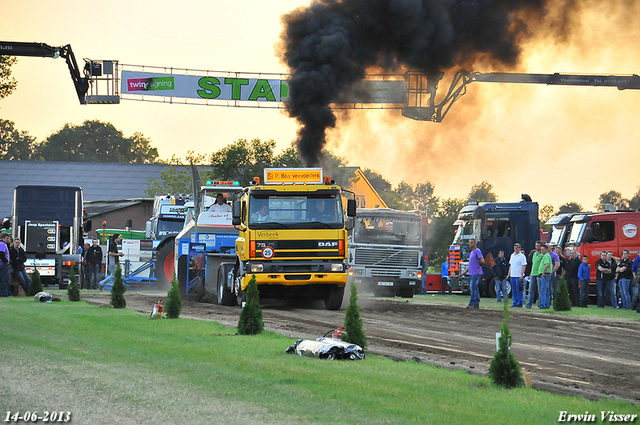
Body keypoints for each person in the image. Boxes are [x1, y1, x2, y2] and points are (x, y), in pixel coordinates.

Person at [465, 238, 484, 309]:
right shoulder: (472, 252)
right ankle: (476, 303)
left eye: (472, 242)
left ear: (475, 243)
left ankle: (472, 303)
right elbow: (471, 264)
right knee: (475, 287)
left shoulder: (477, 251)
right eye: (470, 242)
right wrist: (466, 271)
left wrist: (479, 266)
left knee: (472, 287)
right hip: (472, 272)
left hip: (476, 272)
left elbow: (482, 260)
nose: (470, 243)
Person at [507, 243, 527, 307]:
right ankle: (514, 302)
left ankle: (519, 302)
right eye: (514, 248)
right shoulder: (512, 255)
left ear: (519, 248)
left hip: (518, 275)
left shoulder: (522, 256)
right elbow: (511, 265)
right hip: (513, 275)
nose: (515, 249)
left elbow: (524, 265)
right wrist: (509, 274)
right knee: (514, 289)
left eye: (517, 248)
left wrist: (521, 274)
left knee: (519, 289)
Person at [525, 241, 543, 309]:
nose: (537, 247)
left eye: (538, 246)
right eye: (536, 245)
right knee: (531, 290)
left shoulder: (542, 254)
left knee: (539, 290)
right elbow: (533, 264)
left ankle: (540, 304)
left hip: (539, 274)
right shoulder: (535, 254)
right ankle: (529, 304)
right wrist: (530, 273)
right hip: (533, 274)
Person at [538, 244, 552, 309]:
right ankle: (547, 304)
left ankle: (543, 305)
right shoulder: (546, 256)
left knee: (543, 291)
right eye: (541, 249)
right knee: (546, 291)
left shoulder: (546, 256)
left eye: (543, 249)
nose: (542, 251)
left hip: (545, 274)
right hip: (547, 274)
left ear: (546, 249)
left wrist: (543, 273)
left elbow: (547, 264)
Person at [0, 232, 12, 297]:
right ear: (2, 238)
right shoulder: (3, 244)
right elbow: (1, 253)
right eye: (6, 238)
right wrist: (6, 261)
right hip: (2, 264)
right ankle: (4, 293)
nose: (8, 239)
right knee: (4, 279)